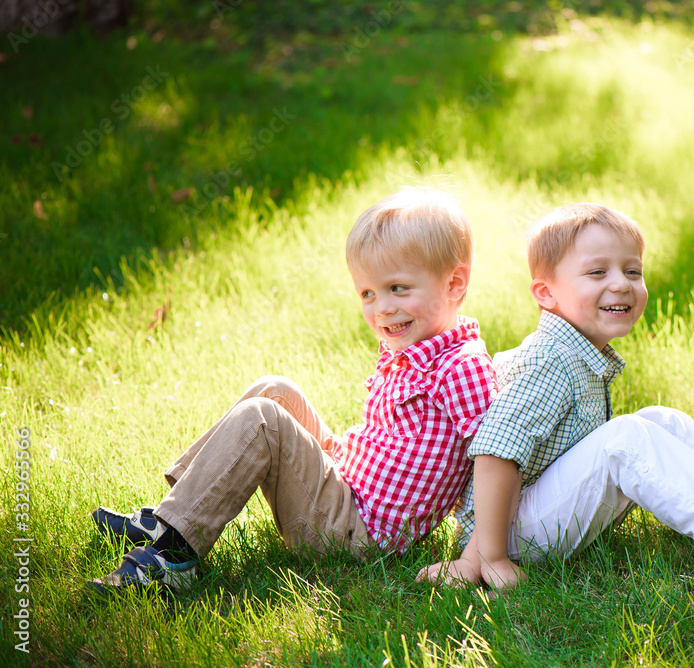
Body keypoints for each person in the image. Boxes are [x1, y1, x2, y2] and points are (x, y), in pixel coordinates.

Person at [419, 203, 694, 591]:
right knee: (627, 437)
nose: (621, 284)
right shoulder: (549, 359)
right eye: (597, 272)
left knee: (660, 420)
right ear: (547, 294)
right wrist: (487, 558)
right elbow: (496, 454)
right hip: (511, 529)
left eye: (632, 271)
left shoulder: (574, 349)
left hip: (529, 510)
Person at [89, 188, 498, 593]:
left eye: (398, 289)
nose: (382, 309)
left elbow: (495, 464)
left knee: (262, 421)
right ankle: (168, 518)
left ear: (454, 284)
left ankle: (173, 557)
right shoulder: (416, 347)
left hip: (357, 535)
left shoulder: (461, 368)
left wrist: (473, 557)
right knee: (276, 391)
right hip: (350, 487)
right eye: (368, 294)